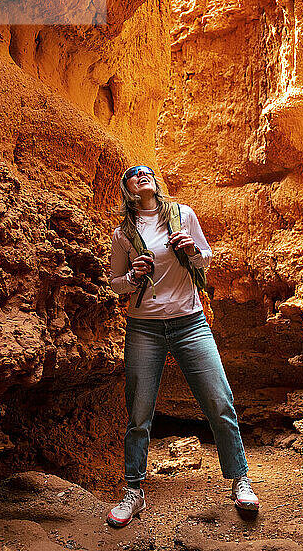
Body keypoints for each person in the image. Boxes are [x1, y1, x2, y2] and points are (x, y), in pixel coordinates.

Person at [107, 165, 259, 528]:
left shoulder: (183, 215)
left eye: (146, 172)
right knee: (139, 413)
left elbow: (206, 258)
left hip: (190, 323)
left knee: (219, 401)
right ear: (128, 189)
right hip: (144, 328)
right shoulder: (123, 234)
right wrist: (133, 275)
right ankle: (134, 492)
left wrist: (191, 248)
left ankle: (241, 480)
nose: (141, 174)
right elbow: (115, 284)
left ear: (155, 182)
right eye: (133, 174)